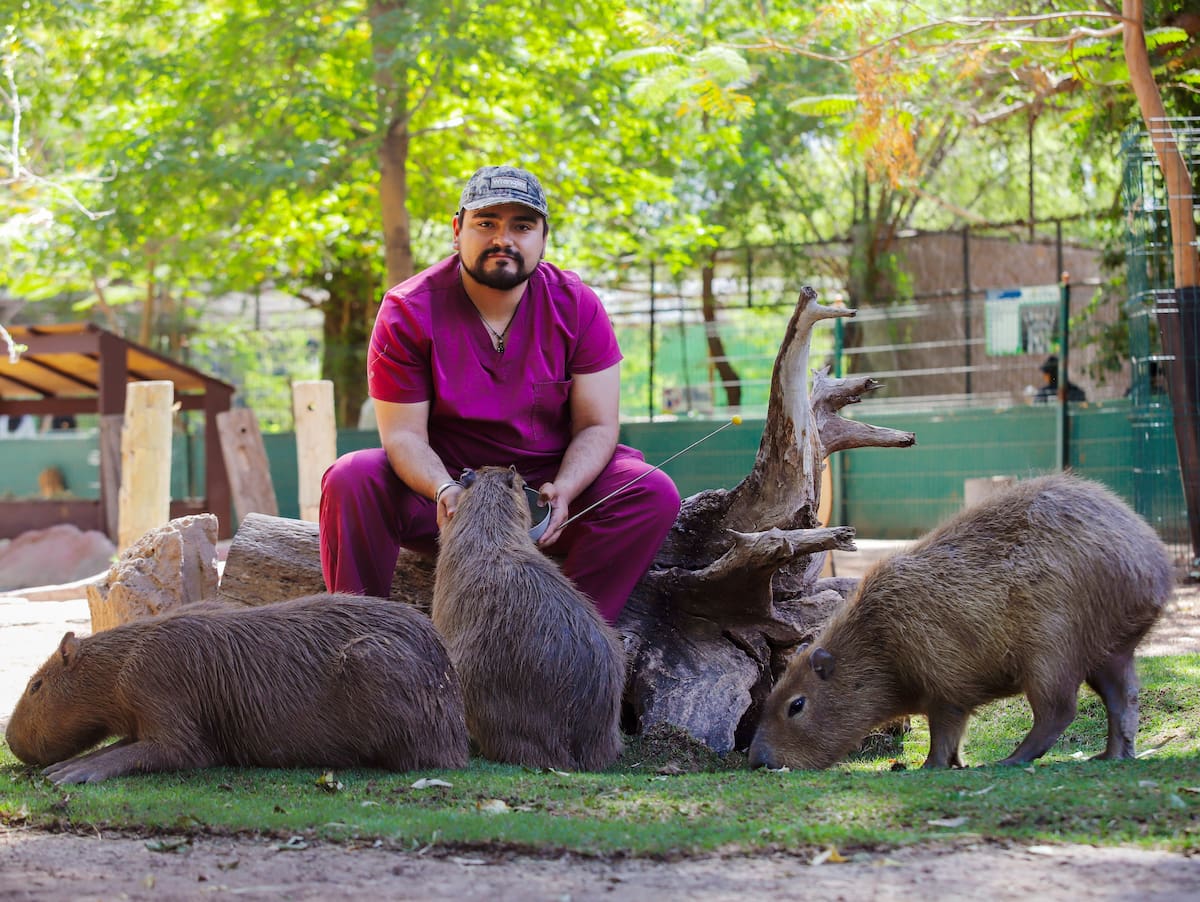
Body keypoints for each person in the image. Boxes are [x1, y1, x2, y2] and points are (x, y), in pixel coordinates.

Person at [319, 165, 682, 625]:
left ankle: (569, 636)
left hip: (547, 493)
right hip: (443, 496)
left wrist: (566, 490)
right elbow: (404, 437)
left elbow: (597, 425)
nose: (503, 238)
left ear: (543, 237)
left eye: (522, 226)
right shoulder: (407, 310)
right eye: (486, 222)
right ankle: (358, 640)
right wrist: (444, 489)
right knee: (352, 476)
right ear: (458, 230)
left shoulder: (576, 304)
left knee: (649, 491)